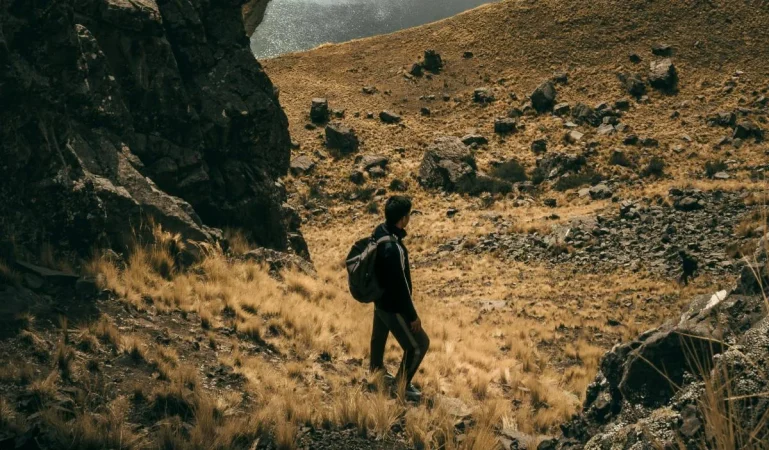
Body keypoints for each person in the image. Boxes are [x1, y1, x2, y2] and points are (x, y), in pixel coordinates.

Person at [369, 196, 430, 401]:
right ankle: (400, 385)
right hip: (392, 306)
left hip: (379, 301)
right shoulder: (393, 249)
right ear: (403, 219)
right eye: (408, 215)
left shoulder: (380, 231)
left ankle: (376, 370)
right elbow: (401, 287)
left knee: (379, 336)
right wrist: (413, 316)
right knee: (419, 344)